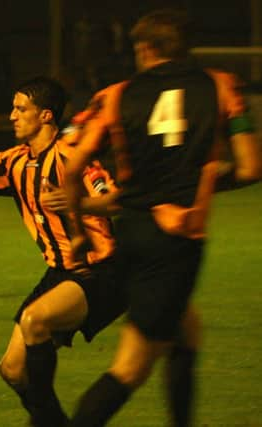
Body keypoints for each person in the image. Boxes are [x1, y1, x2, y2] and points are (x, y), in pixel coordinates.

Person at [64, 9, 262, 426]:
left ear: (146, 49)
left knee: (187, 333)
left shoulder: (115, 95)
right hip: (176, 239)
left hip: (132, 232)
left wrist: (79, 233)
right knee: (130, 368)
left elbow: (72, 164)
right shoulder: (223, 87)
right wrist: (206, 181)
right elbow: (249, 167)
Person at [0, 76, 126, 427]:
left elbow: (117, 200)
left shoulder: (74, 157)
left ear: (46, 116)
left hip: (101, 271)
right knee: (13, 371)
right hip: (58, 273)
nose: (12, 116)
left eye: (21, 109)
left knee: (36, 321)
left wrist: (80, 201)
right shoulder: (13, 161)